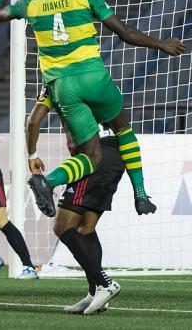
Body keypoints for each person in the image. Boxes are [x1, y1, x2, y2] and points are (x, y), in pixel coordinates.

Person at [0, 0, 185, 218]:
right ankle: (140, 194)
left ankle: (48, 180)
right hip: (93, 77)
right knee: (122, 129)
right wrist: (161, 43)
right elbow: (125, 33)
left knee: (91, 156)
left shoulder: (31, 0)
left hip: (62, 87)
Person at [27, 86, 124, 314]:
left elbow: (33, 122)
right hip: (114, 155)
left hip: (91, 158)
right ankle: (95, 292)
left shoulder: (57, 83)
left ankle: (104, 283)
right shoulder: (97, 80)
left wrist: (31, 154)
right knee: (86, 228)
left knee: (62, 226)